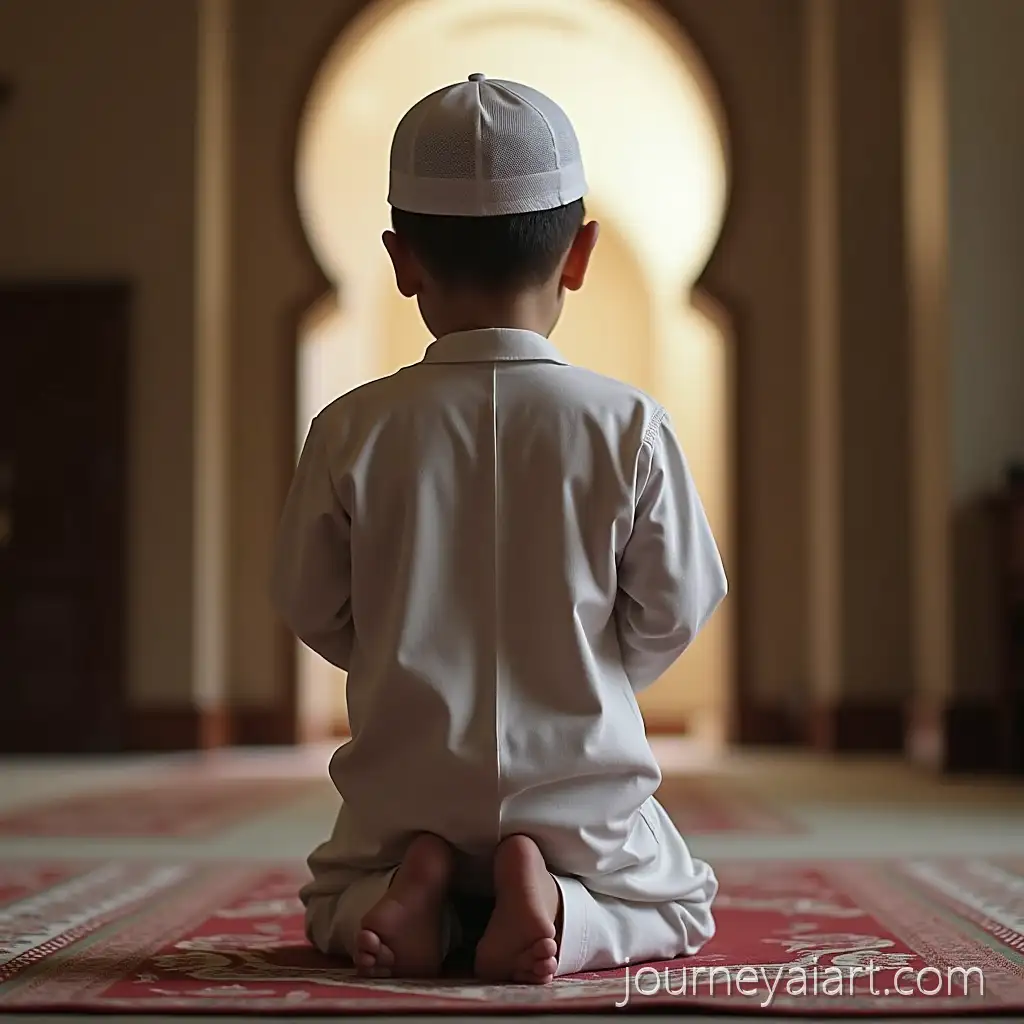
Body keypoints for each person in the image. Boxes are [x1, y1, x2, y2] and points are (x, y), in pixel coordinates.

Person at [271, 73, 728, 986]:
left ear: (403, 262)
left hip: (406, 796)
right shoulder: (628, 423)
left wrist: (401, 646)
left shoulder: (351, 427)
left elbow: (311, 606)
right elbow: (677, 604)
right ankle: (560, 901)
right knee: (677, 901)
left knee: (333, 901)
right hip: (580, 801)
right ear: (579, 252)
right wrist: (584, 670)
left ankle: (412, 888)